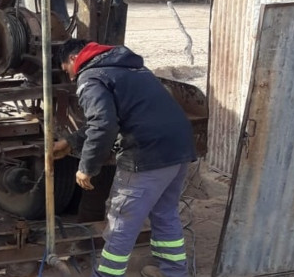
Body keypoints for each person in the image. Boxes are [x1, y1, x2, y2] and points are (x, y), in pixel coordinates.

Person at [54, 39, 197, 277]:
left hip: (146, 153)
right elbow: (121, 114)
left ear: (72, 59)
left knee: (122, 221)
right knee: (165, 213)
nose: (69, 76)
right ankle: (173, 272)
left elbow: (103, 124)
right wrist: (71, 142)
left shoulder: (90, 77)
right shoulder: (133, 68)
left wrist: (86, 167)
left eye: (65, 69)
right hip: (179, 148)